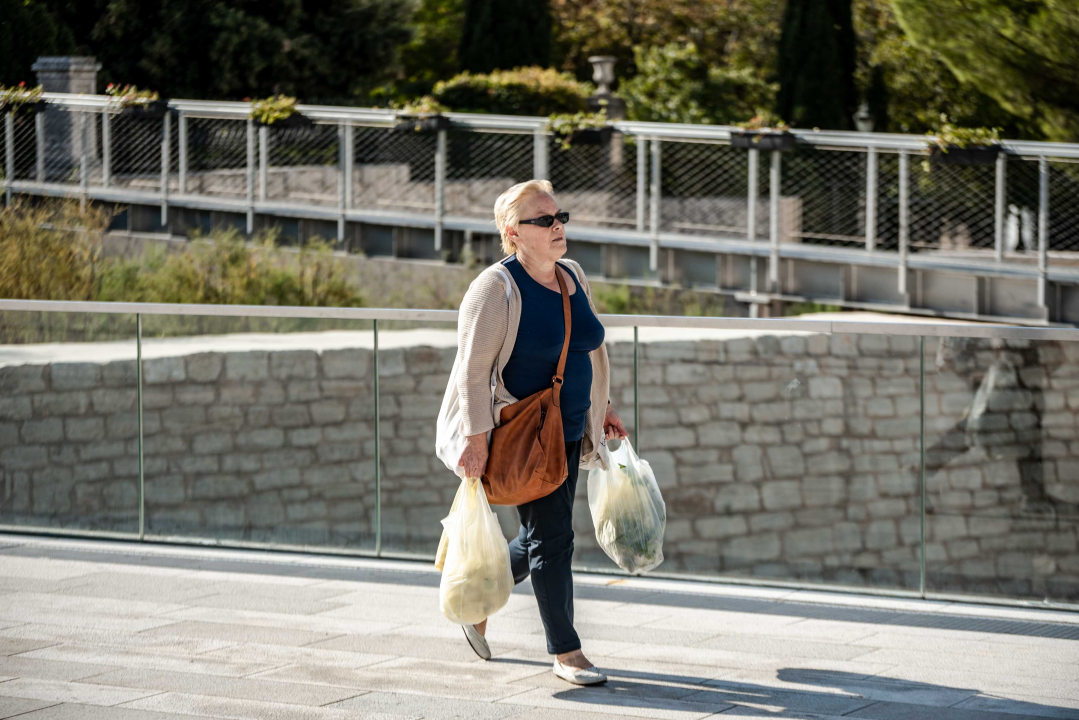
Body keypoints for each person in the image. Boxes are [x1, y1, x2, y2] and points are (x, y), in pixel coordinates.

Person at [453, 179, 629, 685]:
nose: (557, 226)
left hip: (572, 429)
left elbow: (586, 349)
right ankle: (566, 652)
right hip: (524, 434)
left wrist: (605, 407)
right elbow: (472, 370)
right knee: (554, 540)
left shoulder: (572, 275)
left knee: (540, 535)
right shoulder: (496, 287)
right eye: (543, 220)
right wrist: (476, 438)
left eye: (560, 217)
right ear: (513, 232)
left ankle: (475, 599)